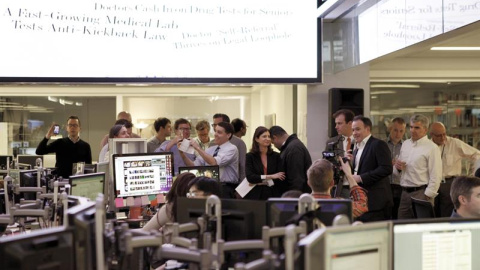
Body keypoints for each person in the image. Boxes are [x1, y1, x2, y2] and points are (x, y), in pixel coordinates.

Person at [394, 114, 442, 219]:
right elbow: (399, 171)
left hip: (421, 193)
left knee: (422, 229)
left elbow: (436, 175)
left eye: (417, 127)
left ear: (425, 130)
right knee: (401, 228)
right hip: (404, 193)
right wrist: (397, 167)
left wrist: (427, 195)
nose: (412, 130)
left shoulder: (432, 148)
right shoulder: (405, 144)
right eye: (411, 127)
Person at [429, 122, 480, 217]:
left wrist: (475, 170)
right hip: (433, 183)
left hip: (450, 183)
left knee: (447, 213)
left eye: (444, 134)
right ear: (432, 135)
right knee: (434, 213)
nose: (443, 137)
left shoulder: (454, 143)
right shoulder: (428, 146)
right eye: (439, 135)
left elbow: (476, 154)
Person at [179, 122, 239, 198]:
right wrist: (182, 154)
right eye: (215, 131)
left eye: (219, 132)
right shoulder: (211, 149)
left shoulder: (232, 148)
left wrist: (197, 148)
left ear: (228, 135)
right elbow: (193, 165)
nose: (215, 134)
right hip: (209, 188)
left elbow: (214, 163)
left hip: (225, 188)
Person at [350, 116, 393, 221]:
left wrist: (361, 178)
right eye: (353, 130)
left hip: (377, 202)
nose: (354, 133)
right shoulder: (356, 148)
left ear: (367, 129)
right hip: (362, 201)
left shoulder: (378, 144)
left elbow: (386, 168)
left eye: (358, 129)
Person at [244, 126, 285, 200]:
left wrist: (258, 182)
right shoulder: (250, 156)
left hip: (273, 194)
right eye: (264, 136)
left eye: (269, 136)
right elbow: (250, 177)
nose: (268, 139)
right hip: (255, 196)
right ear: (257, 139)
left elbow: (280, 177)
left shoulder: (276, 156)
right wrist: (271, 176)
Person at [269, 125, 312, 194]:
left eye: (273, 143)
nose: (274, 146)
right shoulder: (291, 147)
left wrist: (292, 200)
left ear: (275, 138)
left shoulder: (293, 148)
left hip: (296, 197)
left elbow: (296, 179)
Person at [325, 109, 355, 198]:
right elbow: (326, 164)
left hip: (359, 185)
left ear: (350, 123)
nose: (336, 126)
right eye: (336, 123)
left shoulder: (360, 140)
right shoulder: (331, 142)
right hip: (340, 187)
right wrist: (339, 163)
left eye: (339, 123)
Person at [211, 113, 247, 183]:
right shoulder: (212, 143)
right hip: (213, 183)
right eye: (214, 125)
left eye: (218, 124)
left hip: (230, 184)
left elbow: (243, 166)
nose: (216, 127)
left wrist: (241, 188)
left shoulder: (239, 143)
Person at [386, 117, 406, 219]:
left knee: (397, 214)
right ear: (390, 129)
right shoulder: (382, 145)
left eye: (401, 131)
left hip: (400, 185)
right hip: (385, 185)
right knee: (385, 213)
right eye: (395, 130)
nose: (398, 134)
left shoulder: (407, 146)